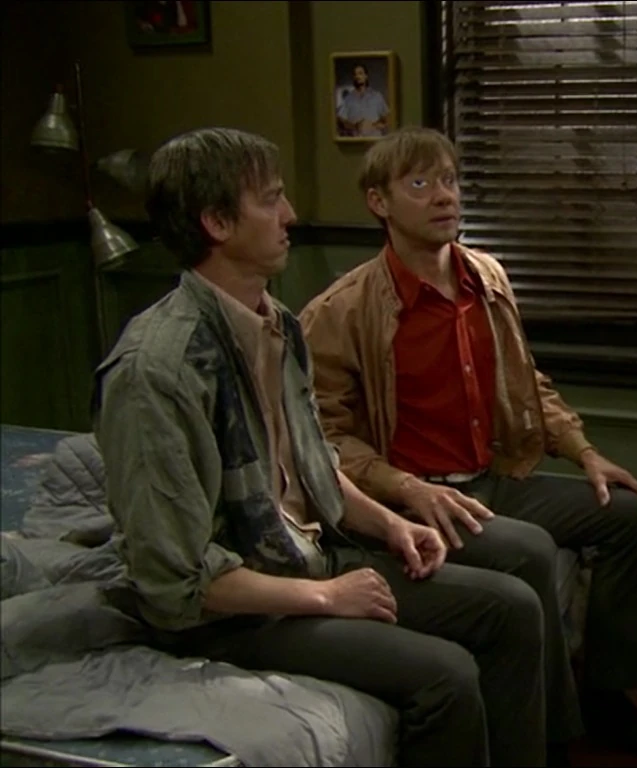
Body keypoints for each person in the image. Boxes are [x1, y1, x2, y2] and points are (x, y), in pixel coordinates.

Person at [92, 127, 552, 768]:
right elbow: (175, 581)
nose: (290, 215)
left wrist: (392, 524)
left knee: (512, 607)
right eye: (271, 200)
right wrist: (326, 598)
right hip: (232, 611)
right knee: (445, 675)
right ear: (217, 223)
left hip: (304, 555)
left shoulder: (277, 323)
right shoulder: (156, 369)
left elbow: (316, 468)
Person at [298, 126, 637, 763]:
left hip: (493, 476)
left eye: (450, 180)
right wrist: (403, 488)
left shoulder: (487, 278)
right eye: (420, 183)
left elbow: (525, 380)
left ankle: (606, 699)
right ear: (378, 202)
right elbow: (325, 440)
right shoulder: (341, 312)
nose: (444, 196)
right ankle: (555, 736)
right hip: (416, 499)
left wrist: (583, 450)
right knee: (529, 551)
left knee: (631, 516)